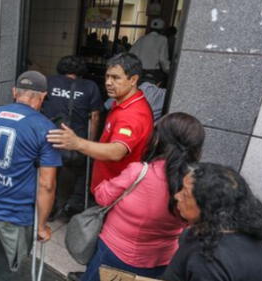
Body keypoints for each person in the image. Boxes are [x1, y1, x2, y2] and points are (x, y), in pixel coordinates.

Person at [77, 113, 205, 281]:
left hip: (115, 253)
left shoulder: (139, 171)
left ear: (159, 139)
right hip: (161, 260)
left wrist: (105, 182)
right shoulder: (196, 183)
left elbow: (102, 197)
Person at [0, 71, 62, 281]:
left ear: (14, 92)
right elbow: (47, 185)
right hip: (16, 215)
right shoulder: (45, 128)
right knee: (11, 272)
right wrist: (42, 225)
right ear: (43, 95)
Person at [47, 53, 153, 194]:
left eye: (116, 78)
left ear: (133, 79)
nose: (108, 82)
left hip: (116, 190)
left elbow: (117, 152)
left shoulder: (133, 114)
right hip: (108, 186)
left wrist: (77, 143)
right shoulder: (122, 103)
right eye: (107, 76)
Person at [163, 163, 262, 281]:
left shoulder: (208, 263)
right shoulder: (250, 238)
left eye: (185, 194)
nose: (177, 196)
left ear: (208, 207)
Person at [41, 55, 101, 218]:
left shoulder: (49, 82)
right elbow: (94, 117)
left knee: (51, 174)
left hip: (51, 139)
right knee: (82, 171)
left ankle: (50, 208)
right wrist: (90, 143)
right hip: (77, 140)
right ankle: (73, 206)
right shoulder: (90, 87)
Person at [130, 18, 170, 84]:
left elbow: (131, 54)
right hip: (154, 73)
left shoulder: (142, 38)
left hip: (140, 72)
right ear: (162, 30)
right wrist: (168, 71)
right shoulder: (163, 39)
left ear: (150, 28)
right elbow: (163, 59)